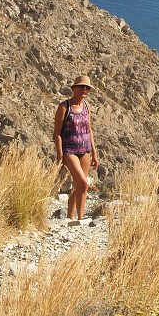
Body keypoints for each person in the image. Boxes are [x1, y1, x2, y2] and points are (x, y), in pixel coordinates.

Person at [54, 74, 99, 221]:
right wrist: (60, 155)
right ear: (74, 88)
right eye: (81, 87)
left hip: (85, 149)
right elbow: (57, 133)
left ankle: (75, 218)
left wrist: (94, 153)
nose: (84, 90)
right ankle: (76, 219)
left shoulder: (86, 106)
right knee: (84, 183)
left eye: (87, 88)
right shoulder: (64, 107)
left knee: (78, 185)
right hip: (70, 150)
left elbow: (89, 130)